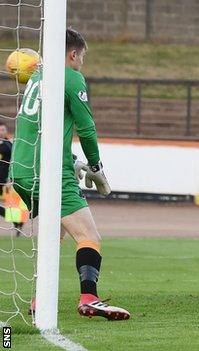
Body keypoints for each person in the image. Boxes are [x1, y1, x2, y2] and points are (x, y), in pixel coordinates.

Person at [10, 28, 130, 320]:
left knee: (55, 233)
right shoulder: (70, 76)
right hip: (48, 172)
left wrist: (72, 159)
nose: (81, 64)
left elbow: (43, 126)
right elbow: (86, 128)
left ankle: (41, 300)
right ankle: (89, 298)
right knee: (89, 235)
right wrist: (96, 166)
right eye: (82, 58)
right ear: (73, 54)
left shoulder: (37, 78)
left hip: (19, 169)